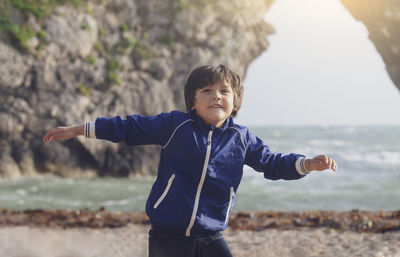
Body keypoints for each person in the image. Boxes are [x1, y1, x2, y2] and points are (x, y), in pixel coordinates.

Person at [43, 64, 337, 257]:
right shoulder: (175, 125)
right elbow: (129, 127)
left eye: (224, 91)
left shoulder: (241, 138)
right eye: (207, 91)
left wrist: (308, 163)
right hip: (167, 236)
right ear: (192, 101)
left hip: (211, 236)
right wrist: (79, 129)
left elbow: (272, 164)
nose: (216, 97)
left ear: (235, 101)